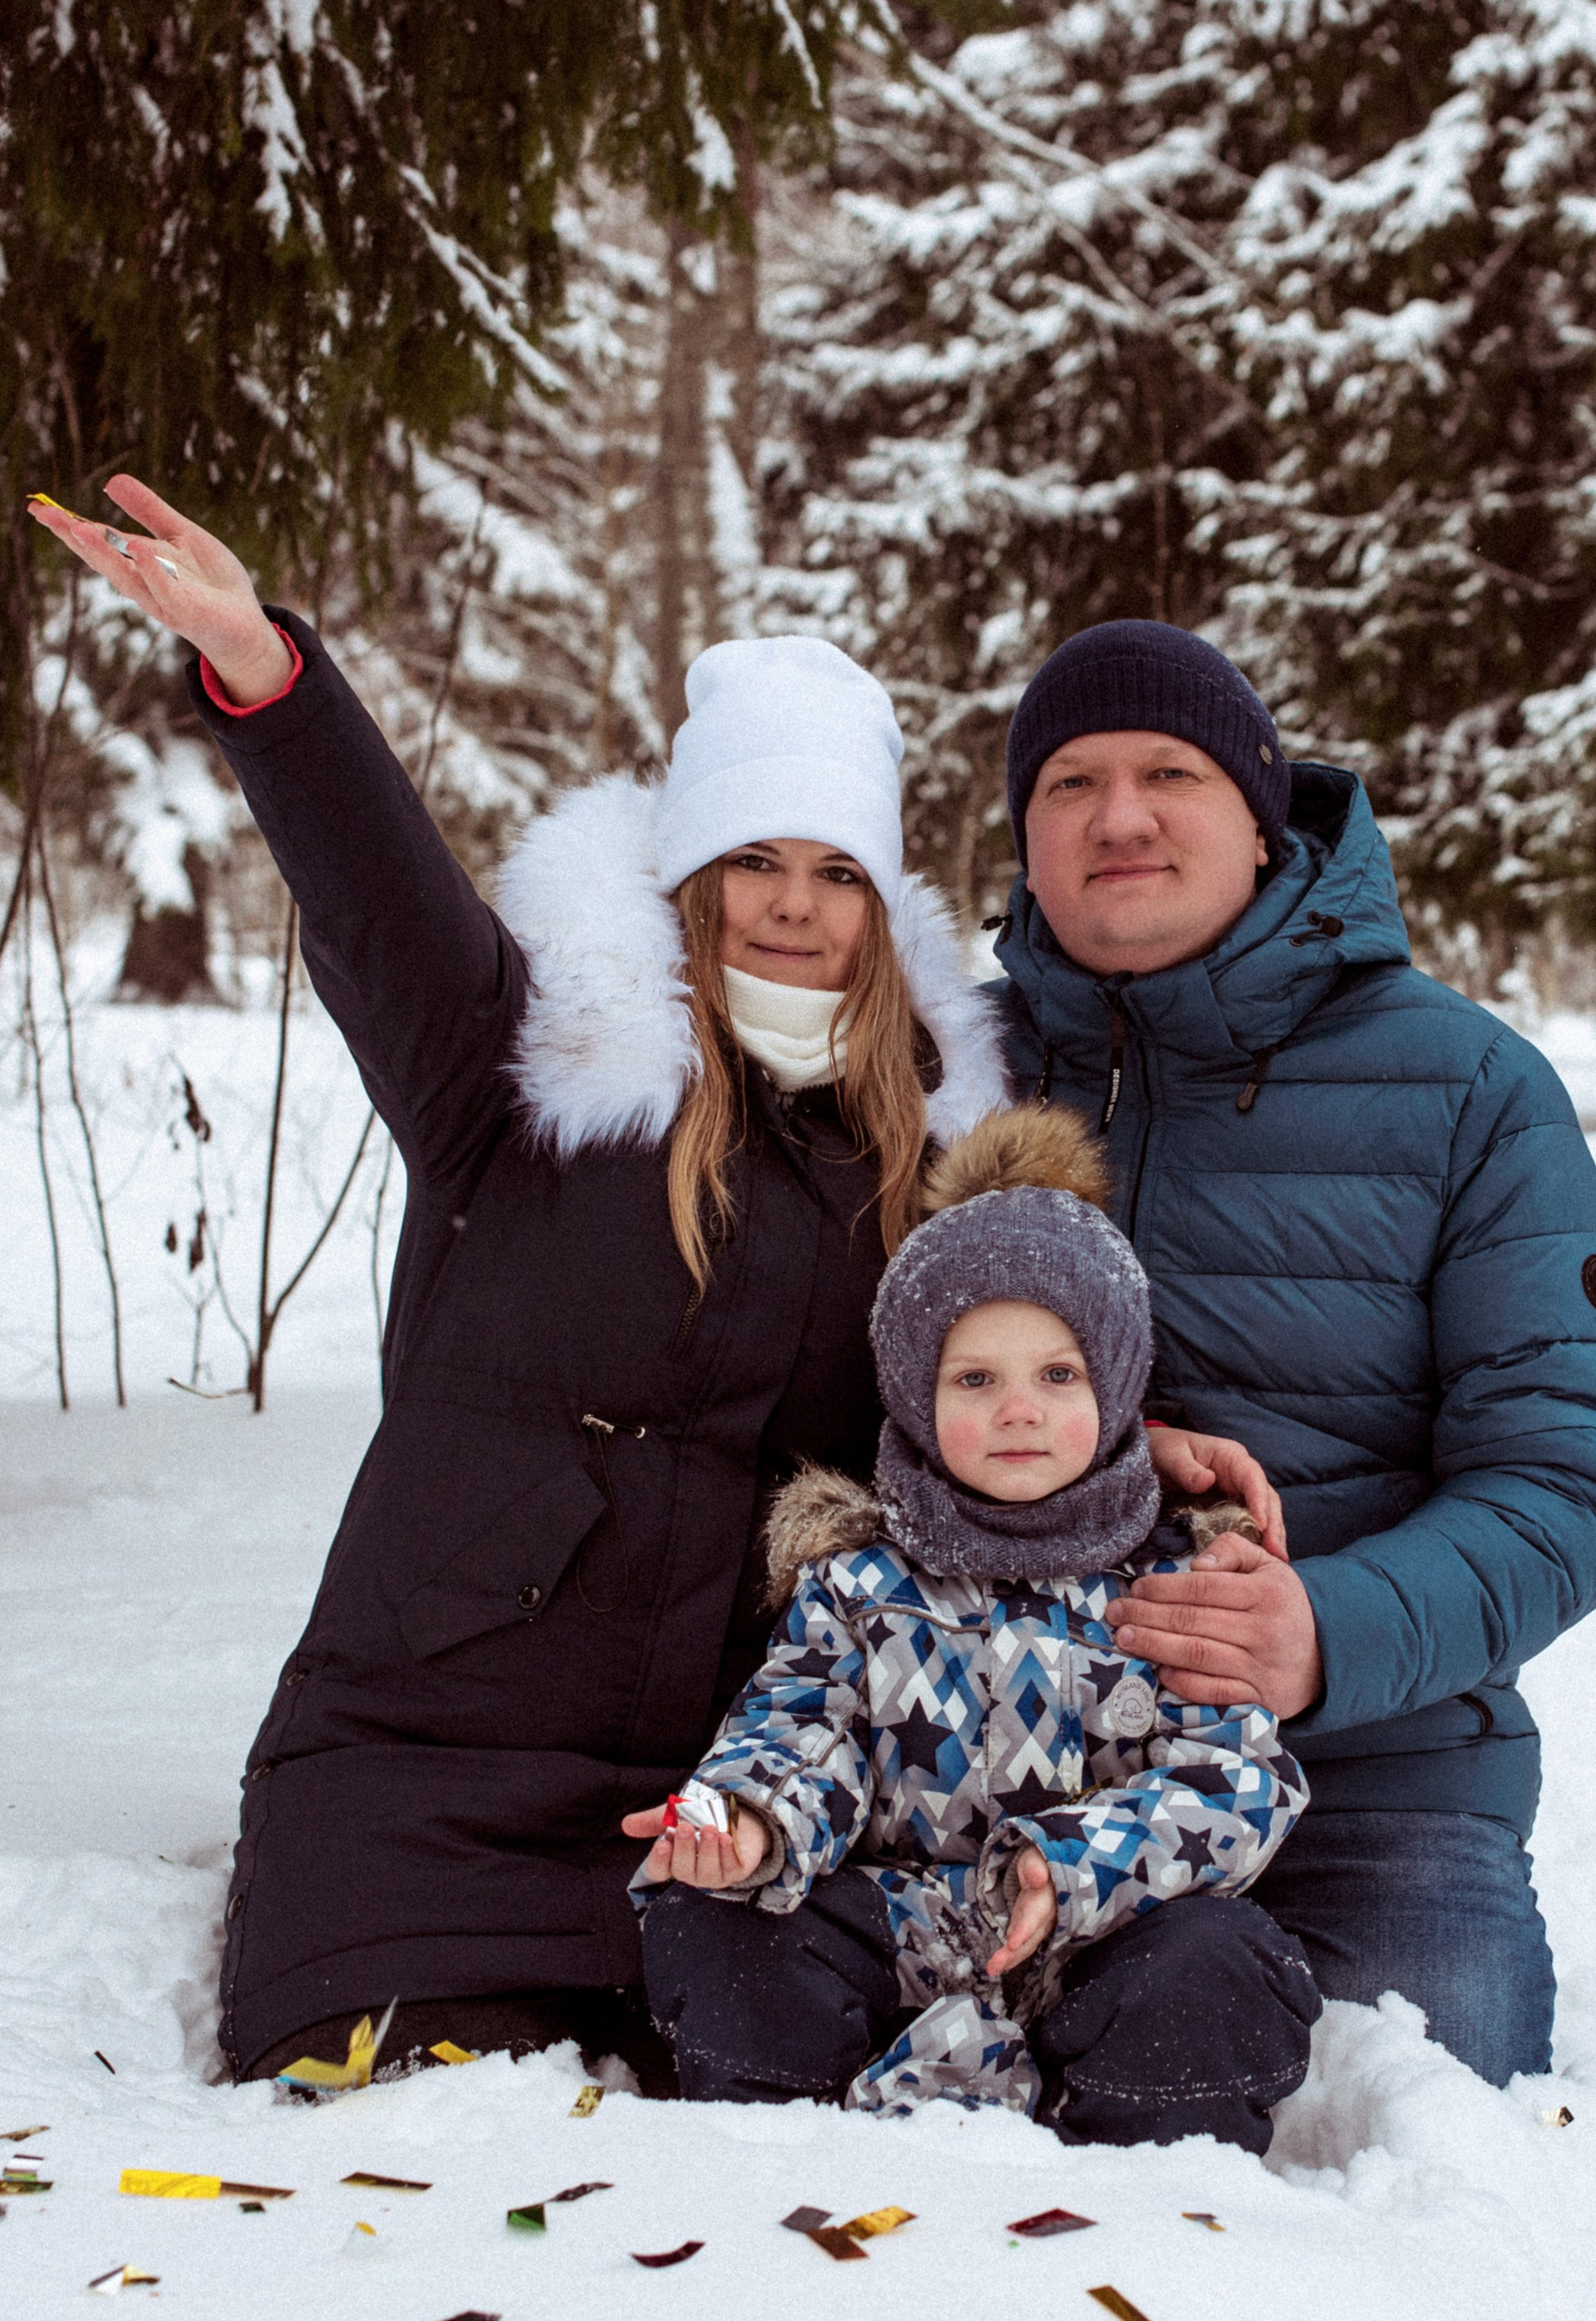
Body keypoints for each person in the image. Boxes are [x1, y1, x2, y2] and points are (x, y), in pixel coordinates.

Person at [24, 483, 1272, 2085]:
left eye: (837, 869)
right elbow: (377, 896)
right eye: (753, 857)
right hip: (432, 1752)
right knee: (396, 2142)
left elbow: (1008, 1369)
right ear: (690, 867)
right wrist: (266, 673)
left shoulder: (928, 1150)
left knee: (717, 2155)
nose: (796, 904)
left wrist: (1130, 1441)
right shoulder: (532, 1065)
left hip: (726, 1790)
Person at [990, 619, 1596, 2086]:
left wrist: (1324, 1637)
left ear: (1262, 812)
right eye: (1070, 783)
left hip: (1374, 1791)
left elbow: (1568, 1483)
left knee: (1397, 2166)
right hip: (1000, 1765)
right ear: (1024, 833)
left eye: (1171, 772)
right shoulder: (942, 1074)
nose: (1121, 816)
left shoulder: (1471, 1091)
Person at [627, 1109, 1320, 2153]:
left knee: (1216, 1961)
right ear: (914, 1392)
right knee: (715, 1930)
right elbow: (801, 1724)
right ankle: (777, 2147)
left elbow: (1236, 1782)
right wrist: (753, 1825)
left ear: (1117, 1384)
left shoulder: (1175, 1575)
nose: (1018, 1412)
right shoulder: (859, 1583)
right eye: (974, 1379)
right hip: (900, 1932)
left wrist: (1070, 1866)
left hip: (1101, 1934)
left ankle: (1150, 2160)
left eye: (1057, 1376)